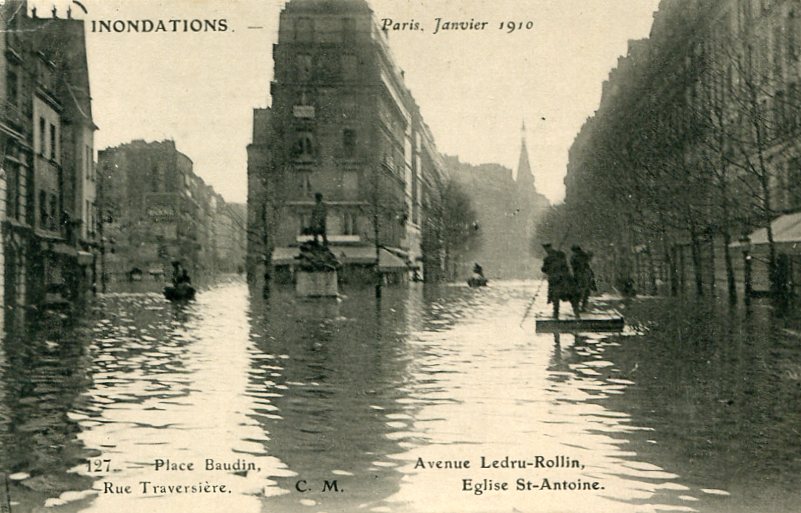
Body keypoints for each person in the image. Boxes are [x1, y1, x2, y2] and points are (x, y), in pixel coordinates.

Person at [541, 243, 580, 319]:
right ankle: (576, 315)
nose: (546, 250)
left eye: (546, 249)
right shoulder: (558, 255)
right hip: (564, 280)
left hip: (557, 281)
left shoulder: (550, 258)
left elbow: (544, 269)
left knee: (557, 298)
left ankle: (556, 316)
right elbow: (545, 269)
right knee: (571, 298)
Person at [570, 245, 596, 312]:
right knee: (585, 291)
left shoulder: (574, 257)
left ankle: (578, 306)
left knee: (580, 291)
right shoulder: (582, 255)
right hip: (585, 275)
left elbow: (573, 265)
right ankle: (582, 307)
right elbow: (589, 257)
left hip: (580, 275)